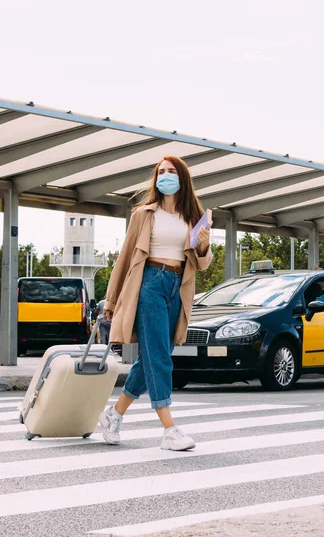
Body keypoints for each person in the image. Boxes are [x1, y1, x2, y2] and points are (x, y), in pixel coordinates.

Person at [98, 155, 212, 450]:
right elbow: (124, 259)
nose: (165, 176)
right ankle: (169, 430)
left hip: (178, 286)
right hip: (150, 282)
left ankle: (114, 413)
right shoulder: (144, 214)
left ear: (182, 178)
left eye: (171, 171)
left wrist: (203, 243)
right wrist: (111, 300)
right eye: (161, 172)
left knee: (153, 355)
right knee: (160, 356)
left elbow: (202, 263)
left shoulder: (192, 215)